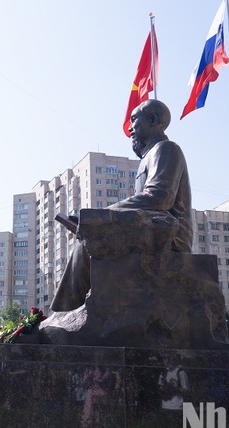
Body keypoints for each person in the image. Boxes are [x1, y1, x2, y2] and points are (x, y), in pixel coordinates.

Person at [51, 99, 191, 312]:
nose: (130, 127)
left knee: (90, 241)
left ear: (153, 119)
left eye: (134, 120)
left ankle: (65, 312)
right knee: (88, 240)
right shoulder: (149, 156)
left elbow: (159, 197)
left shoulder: (167, 149)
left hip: (170, 237)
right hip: (152, 230)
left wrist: (101, 216)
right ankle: (69, 312)